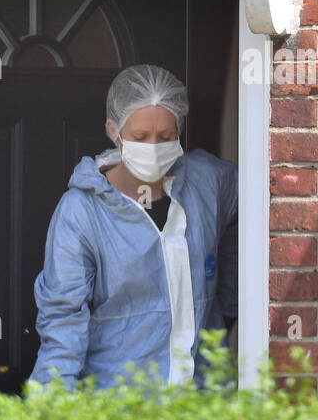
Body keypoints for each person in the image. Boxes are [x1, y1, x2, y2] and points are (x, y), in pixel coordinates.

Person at [28, 64, 238, 393]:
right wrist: (52, 418)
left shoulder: (206, 182)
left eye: (166, 137)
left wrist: (226, 303)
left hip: (203, 411)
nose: (154, 147)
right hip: (120, 412)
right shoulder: (82, 212)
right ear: (113, 130)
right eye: (140, 138)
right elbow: (62, 323)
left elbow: (256, 206)